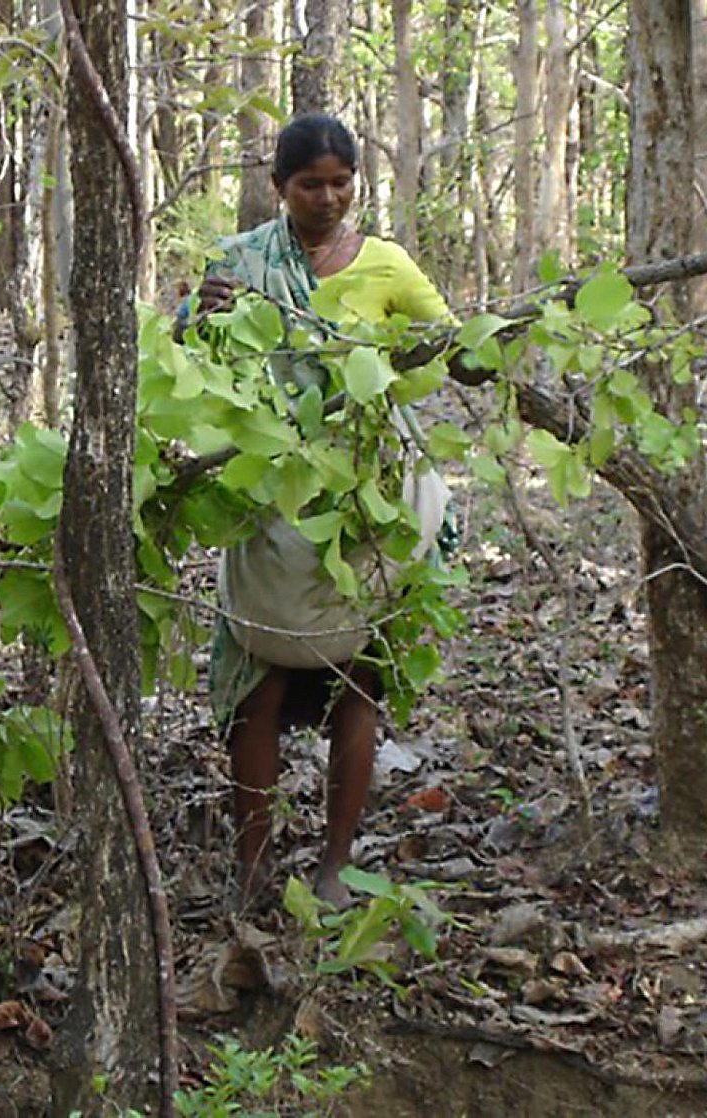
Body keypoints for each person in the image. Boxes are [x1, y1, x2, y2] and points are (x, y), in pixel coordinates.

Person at [181, 113, 456, 910]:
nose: (328, 198)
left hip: (362, 500)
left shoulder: (388, 265)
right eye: (310, 184)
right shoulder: (239, 264)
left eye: (341, 182)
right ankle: (254, 866)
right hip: (269, 497)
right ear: (278, 188)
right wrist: (205, 314)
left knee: (357, 681)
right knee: (256, 688)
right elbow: (194, 364)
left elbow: (443, 349)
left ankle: (337, 864)